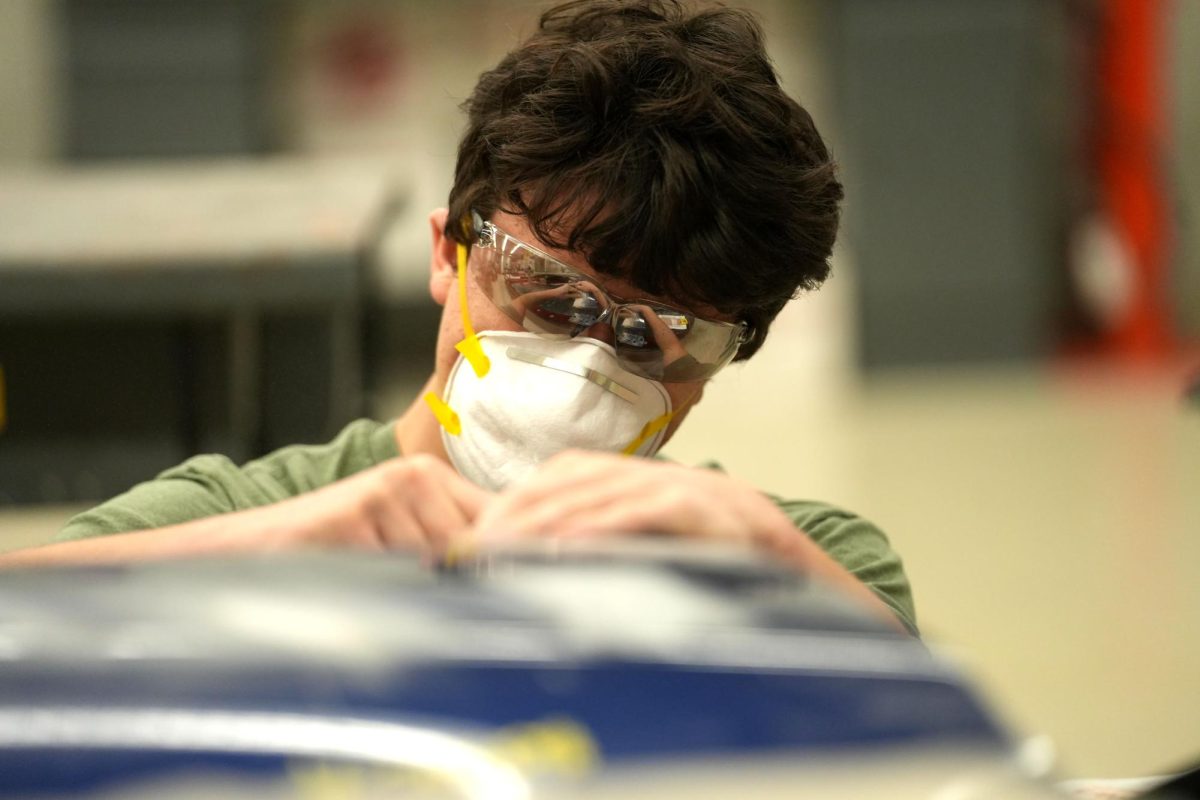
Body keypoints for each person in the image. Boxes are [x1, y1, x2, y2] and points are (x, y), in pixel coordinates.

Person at [0, 0, 917, 635]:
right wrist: (273, 550)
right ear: (450, 252)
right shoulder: (246, 514)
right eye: (548, 293)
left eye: (657, 337)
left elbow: (915, 720)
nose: (587, 364)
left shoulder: (809, 556)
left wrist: (759, 558)